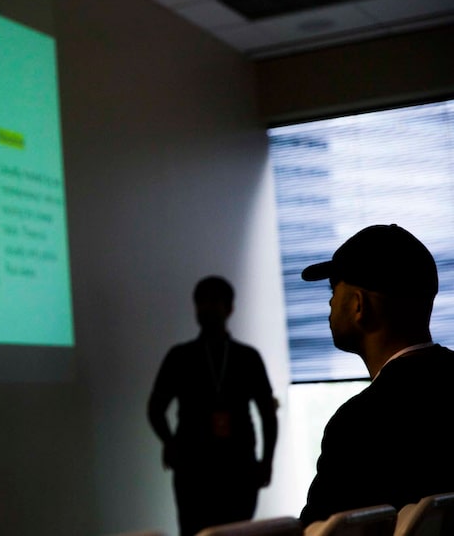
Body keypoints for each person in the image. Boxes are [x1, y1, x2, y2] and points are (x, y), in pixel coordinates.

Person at [298, 224, 454, 528]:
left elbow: (320, 531)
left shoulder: (360, 423)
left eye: (334, 289)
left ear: (359, 305)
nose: (329, 303)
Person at [148, 276, 278, 536]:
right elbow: (155, 408)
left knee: (238, 532)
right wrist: (170, 442)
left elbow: (267, 414)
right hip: (193, 469)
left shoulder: (247, 357)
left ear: (230, 308)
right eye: (201, 302)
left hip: (239, 467)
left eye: (214, 301)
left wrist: (267, 460)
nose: (206, 308)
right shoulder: (180, 356)